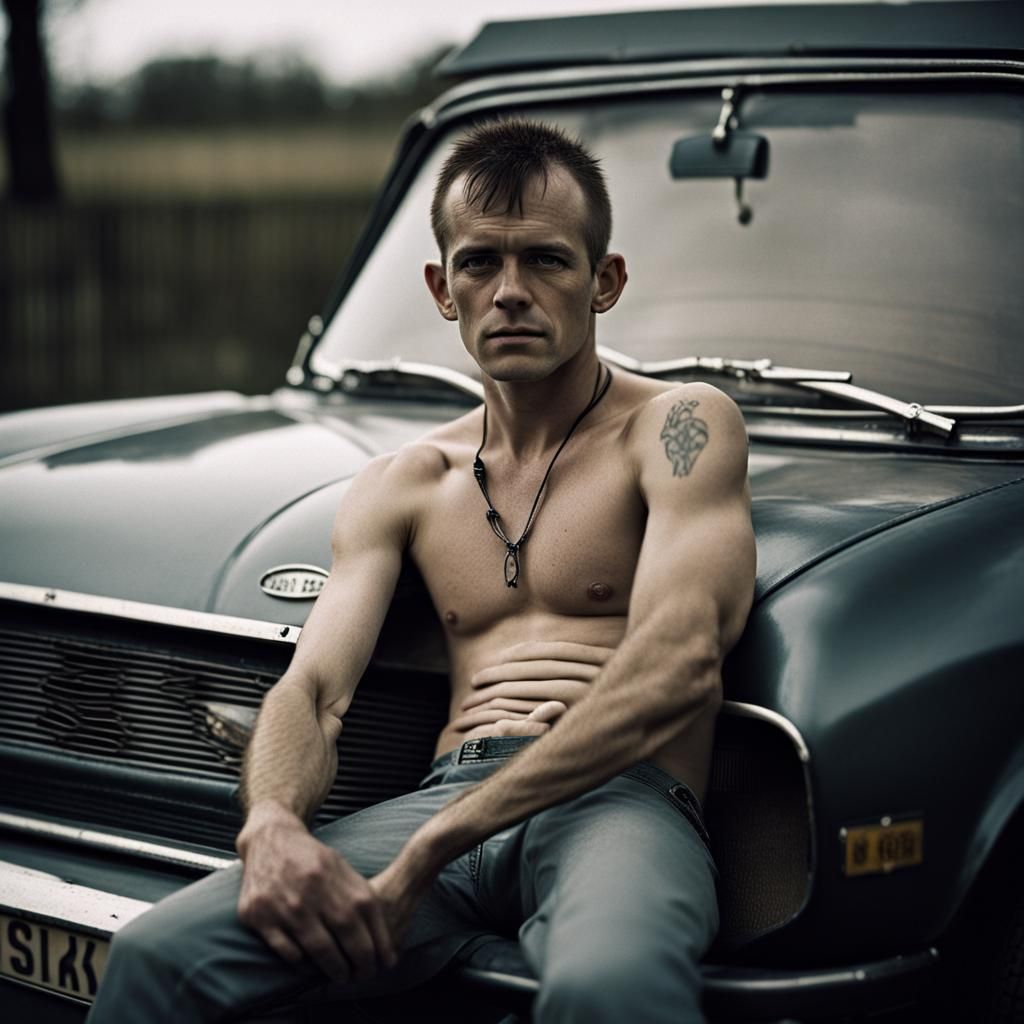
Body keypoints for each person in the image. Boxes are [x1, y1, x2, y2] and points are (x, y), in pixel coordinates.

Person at [87, 118, 755, 1024]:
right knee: (156, 957)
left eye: (546, 260)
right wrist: (272, 827)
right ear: (444, 289)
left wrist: (435, 847)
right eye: (480, 263)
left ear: (604, 281)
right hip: (443, 799)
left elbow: (681, 663)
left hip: (620, 800)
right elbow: (312, 692)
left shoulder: (677, 427)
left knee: (610, 989)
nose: (510, 292)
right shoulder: (404, 482)